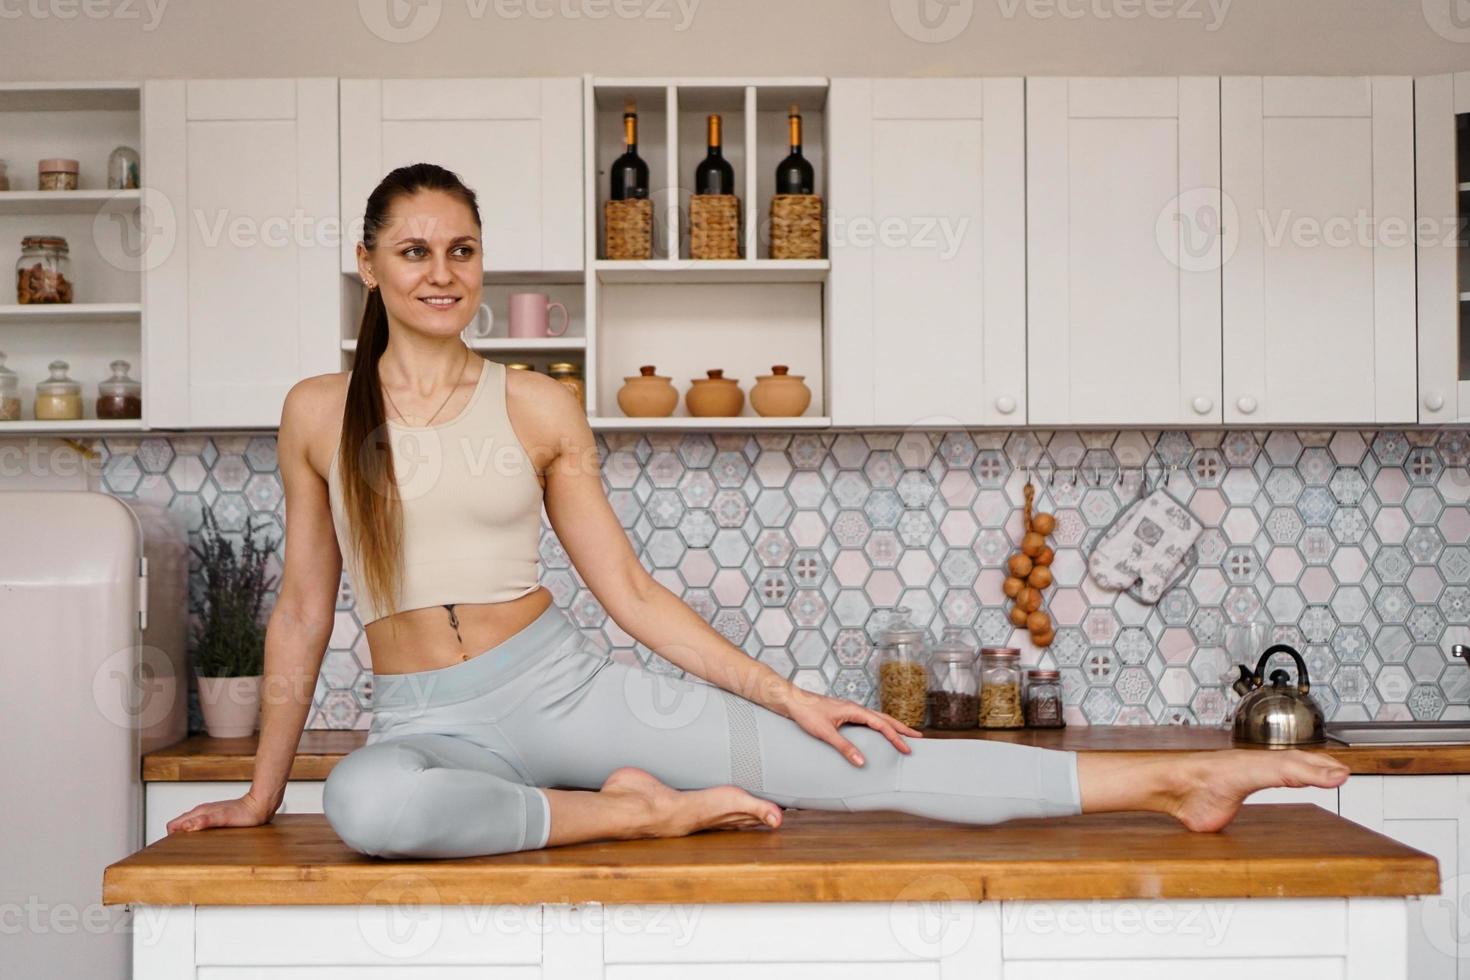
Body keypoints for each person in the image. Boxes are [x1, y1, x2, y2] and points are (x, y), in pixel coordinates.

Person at [166, 163, 1351, 859]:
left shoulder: (538, 405)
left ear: (483, 265)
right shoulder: (319, 410)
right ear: (368, 262)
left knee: (862, 760)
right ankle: (633, 815)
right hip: (428, 717)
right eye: (414, 249)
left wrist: (788, 693)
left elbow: (629, 594)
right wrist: (267, 791)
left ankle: (1173, 779)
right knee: (371, 804)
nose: (441, 271)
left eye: (462, 249)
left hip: (567, 684)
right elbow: (304, 610)